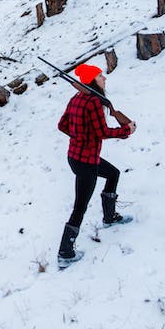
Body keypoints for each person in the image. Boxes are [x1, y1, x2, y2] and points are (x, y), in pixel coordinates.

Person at [55, 63, 137, 269]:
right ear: (92, 81)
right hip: (86, 162)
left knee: (113, 174)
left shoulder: (77, 98)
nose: (104, 79)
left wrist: (80, 137)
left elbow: (62, 125)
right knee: (79, 208)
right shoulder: (92, 102)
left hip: (76, 157)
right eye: (101, 76)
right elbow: (102, 132)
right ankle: (65, 253)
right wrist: (126, 130)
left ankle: (110, 217)